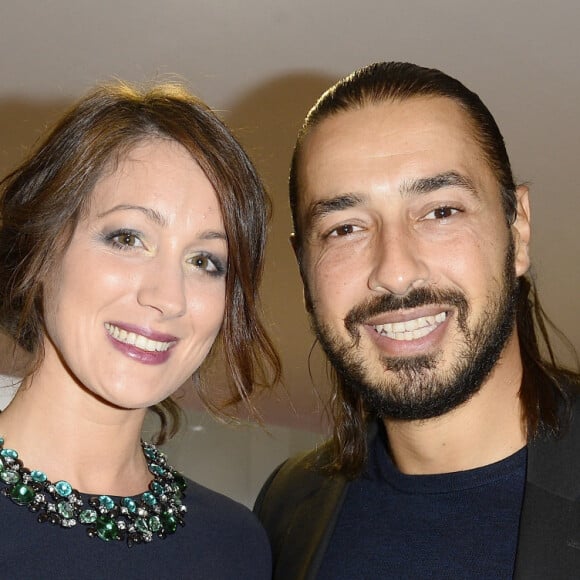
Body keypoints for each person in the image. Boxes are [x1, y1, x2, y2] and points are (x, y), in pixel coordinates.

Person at [254, 61, 580, 578]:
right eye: (344, 229)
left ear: (516, 231)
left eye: (440, 212)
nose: (396, 272)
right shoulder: (285, 509)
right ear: (303, 269)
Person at [0, 81, 280, 578]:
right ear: (40, 252)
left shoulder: (238, 547)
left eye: (205, 261)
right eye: (128, 238)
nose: (168, 297)